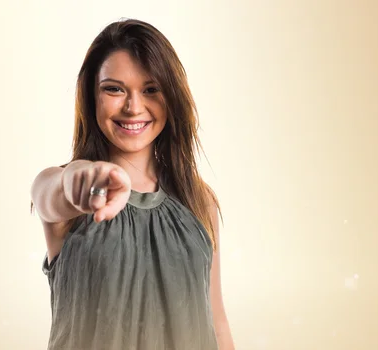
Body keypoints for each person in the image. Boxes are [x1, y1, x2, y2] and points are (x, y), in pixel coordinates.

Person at [30, 18, 235, 350]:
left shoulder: (198, 200)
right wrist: (81, 179)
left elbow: (217, 320)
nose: (134, 107)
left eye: (151, 89)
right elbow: (50, 193)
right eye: (114, 88)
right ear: (91, 96)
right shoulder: (63, 189)